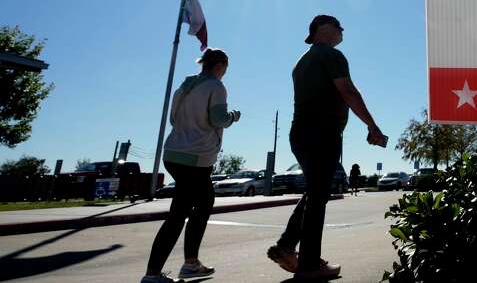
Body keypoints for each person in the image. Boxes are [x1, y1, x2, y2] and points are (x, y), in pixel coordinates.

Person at [266, 14, 387, 280]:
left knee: (315, 194)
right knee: (317, 199)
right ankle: (309, 265)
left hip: (299, 134)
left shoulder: (302, 61)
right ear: (322, 29)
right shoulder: (331, 55)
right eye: (337, 26)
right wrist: (372, 126)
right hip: (322, 134)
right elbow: (348, 91)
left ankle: (287, 246)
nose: (342, 30)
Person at [141, 48, 240, 283]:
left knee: (203, 202)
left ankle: (191, 263)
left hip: (174, 153)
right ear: (220, 65)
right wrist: (233, 116)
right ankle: (153, 274)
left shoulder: (184, 87)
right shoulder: (216, 87)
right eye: (225, 68)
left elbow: (174, 119)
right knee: (180, 213)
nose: (225, 72)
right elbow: (218, 119)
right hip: (195, 157)